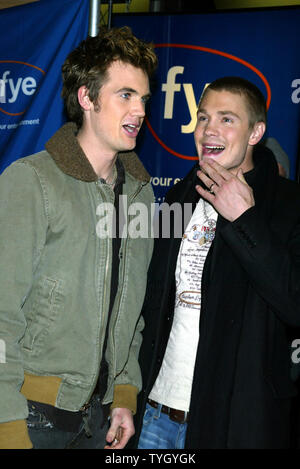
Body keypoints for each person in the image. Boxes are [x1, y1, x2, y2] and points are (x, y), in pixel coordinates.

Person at [0, 26, 157, 449]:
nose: (140, 110)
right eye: (125, 95)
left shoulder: (141, 194)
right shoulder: (31, 181)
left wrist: (124, 394)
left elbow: (131, 307)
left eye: (143, 98)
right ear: (86, 98)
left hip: (101, 417)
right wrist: (6, 425)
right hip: (30, 412)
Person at [134, 76, 300, 449]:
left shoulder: (289, 205)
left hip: (231, 423)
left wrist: (245, 220)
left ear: (255, 132)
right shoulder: (180, 195)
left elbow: (294, 302)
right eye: (204, 118)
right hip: (156, 413)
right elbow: (152, 302)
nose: (209, 130)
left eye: (227, 119)